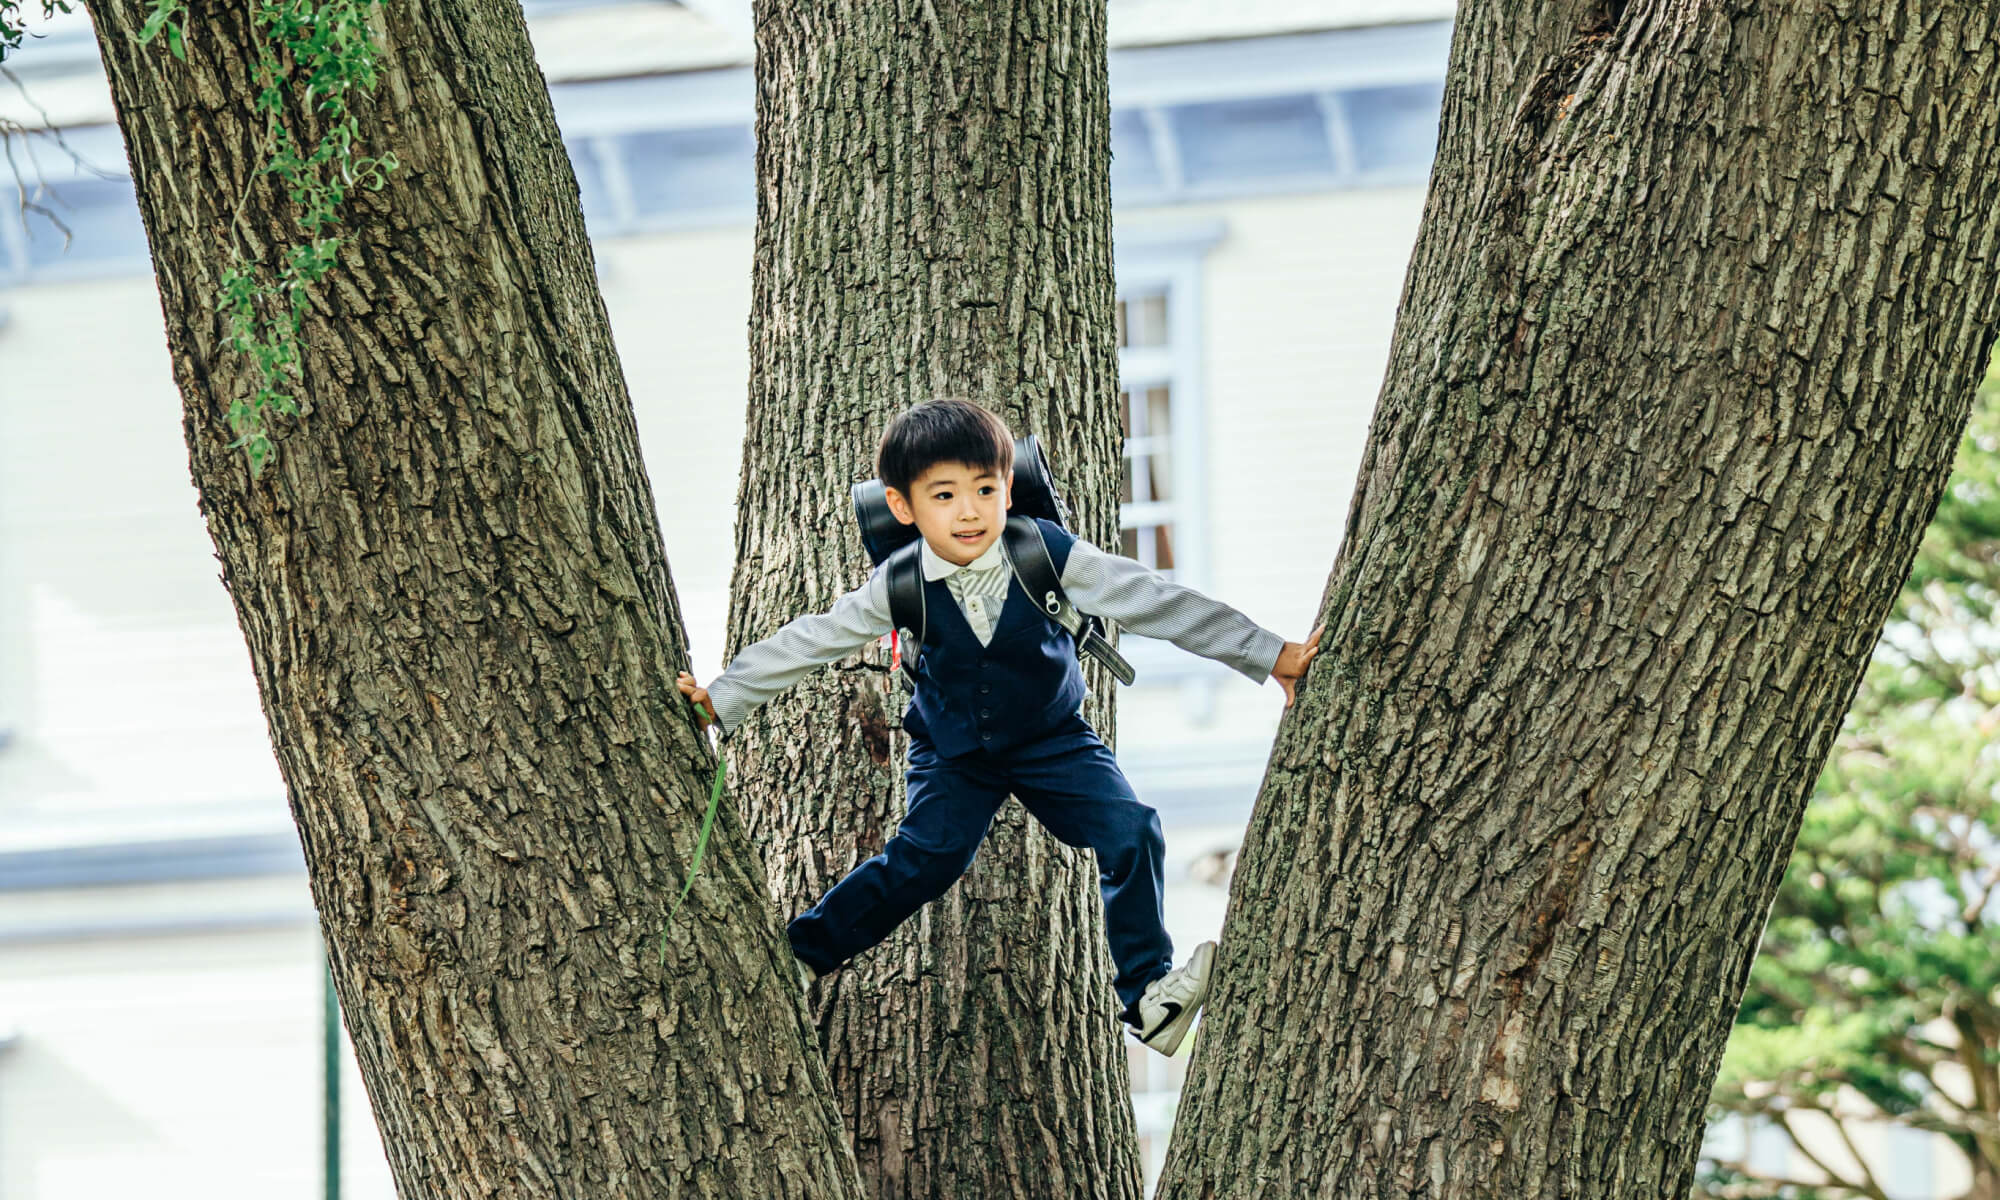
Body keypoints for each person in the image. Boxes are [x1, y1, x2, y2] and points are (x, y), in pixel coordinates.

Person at [677, 399, 1321, 1055]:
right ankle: (801, 955)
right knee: (925, 861)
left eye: (986, 490)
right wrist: (718, 700)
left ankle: (1149, 998)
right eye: (945, 495)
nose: (968, 511)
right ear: (904, 507)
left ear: (1007, 488)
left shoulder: (1046, 554)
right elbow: (806, 642)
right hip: (954, 752)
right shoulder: (898, 584)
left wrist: (1271, 655)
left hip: (1053, 740)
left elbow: (1156, 600)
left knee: (1132, 831)